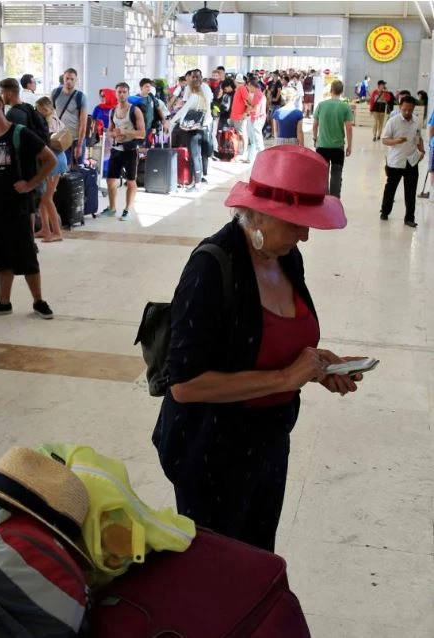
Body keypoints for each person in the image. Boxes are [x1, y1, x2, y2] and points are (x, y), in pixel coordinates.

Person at [152, 145, 359, 552]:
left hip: (268, 445)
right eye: (298, 222)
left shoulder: (286, 257)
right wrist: (284, 378)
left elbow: (273, 338)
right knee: (220, 575)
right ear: (259, 213)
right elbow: (185, 385)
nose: (305, 234)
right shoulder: (211, 267)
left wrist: (317, 366)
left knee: (259, 558)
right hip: (212, 454)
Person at [0, 92, 56, 319]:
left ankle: (39, 301)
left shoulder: (20, 133)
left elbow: (50, 159)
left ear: (0, 104)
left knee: (26, 252)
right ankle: (3, 301)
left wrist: (31, 184)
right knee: (0, 253)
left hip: (18, 205)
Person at [380, 95, 426, 228]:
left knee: (411, 191)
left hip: (411, 161)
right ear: (400, 107)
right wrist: (396, 141)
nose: (407, 112)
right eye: (404, 109)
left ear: (413, 109)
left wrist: (422, 151)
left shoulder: (416, 121)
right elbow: (384, 140)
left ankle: (409, 218)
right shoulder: (393, 122)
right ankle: (385, 211)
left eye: (410, 110)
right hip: (395, 162)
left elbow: (418, 138)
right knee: (391, 188)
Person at [103, 83, 145, 218]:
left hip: (130, 149)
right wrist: (113, 134)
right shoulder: (113, 111)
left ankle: (127, 209)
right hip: (116, 149)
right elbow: (109, 131)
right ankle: (112, 207)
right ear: (115, 93)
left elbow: (142, 133)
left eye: (124, 92)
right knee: (110, 179)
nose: (121, 94)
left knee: (131, 180)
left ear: (128, 93)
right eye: (119, 92)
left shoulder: (135, 110)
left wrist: (125, 133)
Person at [167, 72, 212, 191]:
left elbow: (183, 111)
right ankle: (196, 181)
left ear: (191, 87)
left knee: (195, 156)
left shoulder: (194, 97)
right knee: (198, 156)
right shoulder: (203, 97)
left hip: (193, 131)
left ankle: (196, 184)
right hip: (202, 129)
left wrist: (171, 121)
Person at [312, 80, 353, 198]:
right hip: (338, 147)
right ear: (342, 91)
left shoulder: (321, 105)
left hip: (322, 146)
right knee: (336, 174)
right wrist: (349, 145)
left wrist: (315, 139)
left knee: (323, 173)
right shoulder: (345, 107)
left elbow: (315, 125)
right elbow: (349, 128)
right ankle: (334, 200)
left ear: (331, 90)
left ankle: (323, 198)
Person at [35, 96, 67, 242]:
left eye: (39, 108)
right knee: (43, 199)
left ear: (45, 108)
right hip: (55, 160)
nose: (37, 111)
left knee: (47, 198)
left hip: (55, 161)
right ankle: (45, 228)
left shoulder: (51, 121)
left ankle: (57, 232)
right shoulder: (54, 119)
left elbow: (48, 141)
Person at [51, 68, 89, 166]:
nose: (69, 81)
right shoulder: (55, 93)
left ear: (76, 80)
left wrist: (80, 145)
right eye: (67, 78)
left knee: (77, 170)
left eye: (72, 79)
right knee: (61, 169)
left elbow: (83, 122)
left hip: (76, 139)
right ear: (63, 78)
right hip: (60, 138)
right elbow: (50, 114)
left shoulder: (81, 97)